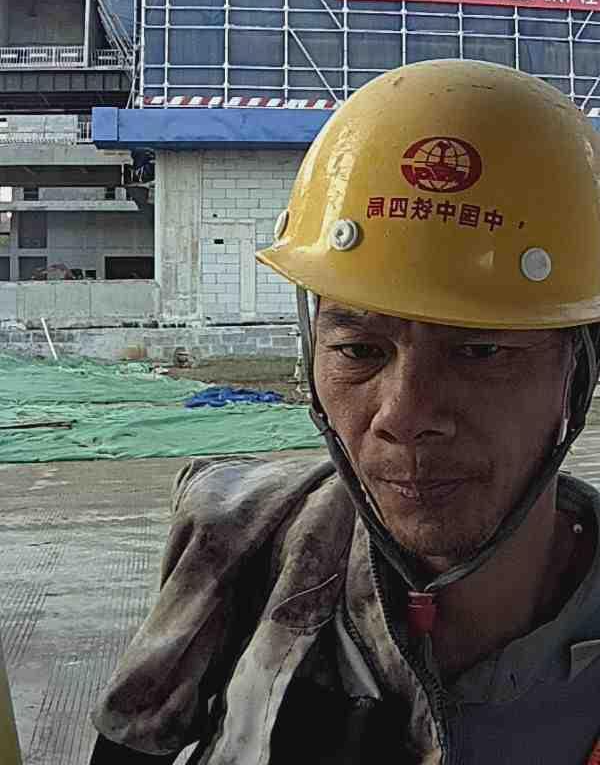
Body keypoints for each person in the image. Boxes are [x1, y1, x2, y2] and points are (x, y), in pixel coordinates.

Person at [90, 60, 600, 764]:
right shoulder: (243, 542)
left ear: (579, 369)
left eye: (481, 351)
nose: (405, 415)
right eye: (359, 350)